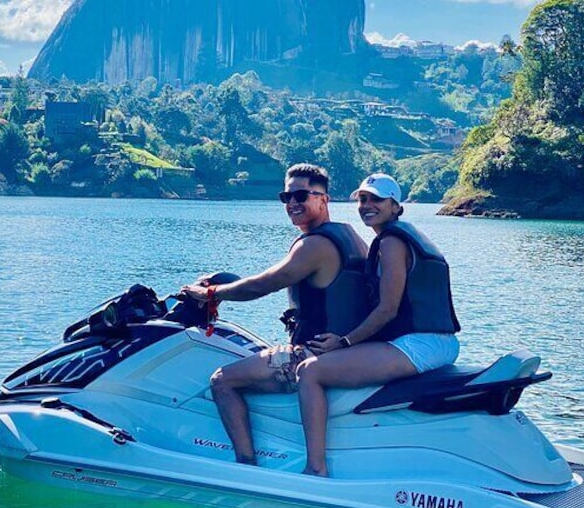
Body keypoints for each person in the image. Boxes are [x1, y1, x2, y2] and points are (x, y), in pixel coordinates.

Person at [181, 163, 369, 465]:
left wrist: (210, 295)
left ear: (324, 199)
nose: (292, 203)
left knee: (222, 380)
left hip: (311, 353)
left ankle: (246, 464)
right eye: (286, 197)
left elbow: (265, 284)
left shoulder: (315, 245)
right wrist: (223, 281)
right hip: (344, 350)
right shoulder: (350, 236)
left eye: (301, 195)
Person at [296, 173, 462, 476]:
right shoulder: (407, 234)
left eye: (376, 199)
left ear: (395, 206)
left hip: (419, 344)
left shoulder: (391, 242)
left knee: (311, 371)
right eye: (362, 199)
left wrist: (343, 341)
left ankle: (315, 468)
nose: (367, 205)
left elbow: (387, 309)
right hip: (431, 341)